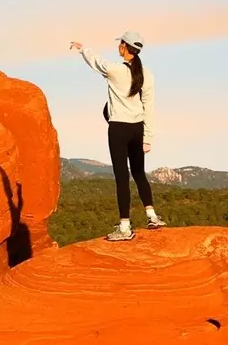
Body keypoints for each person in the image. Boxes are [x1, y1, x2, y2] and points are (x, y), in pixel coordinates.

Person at [70, 31, 163, 241]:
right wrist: (148, 137)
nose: (118, 46)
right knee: (139, 173)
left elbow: (95, 61)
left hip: (119, 129)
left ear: (124, 46)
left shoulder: (115, 70)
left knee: (122, 177)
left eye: (120, 43)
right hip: (138, 128)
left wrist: (82, 47)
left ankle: (125, 227)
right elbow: (149, 107)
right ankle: (152, 216)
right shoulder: (147, 74)